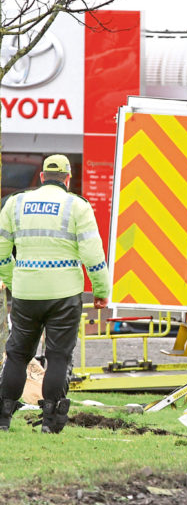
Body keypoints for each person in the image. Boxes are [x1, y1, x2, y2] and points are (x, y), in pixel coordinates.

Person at [0, 155, 110, 433]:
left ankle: (2, 418)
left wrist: (15, 281)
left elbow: (1, 252)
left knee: (17, 355)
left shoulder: (14, 203)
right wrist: (101, 290)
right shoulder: (78, 206)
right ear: (68, 179)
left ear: (41, 177)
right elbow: (93, 255)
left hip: (26, 293)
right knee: (58, 356)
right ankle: (51, 422)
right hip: (64, 295)